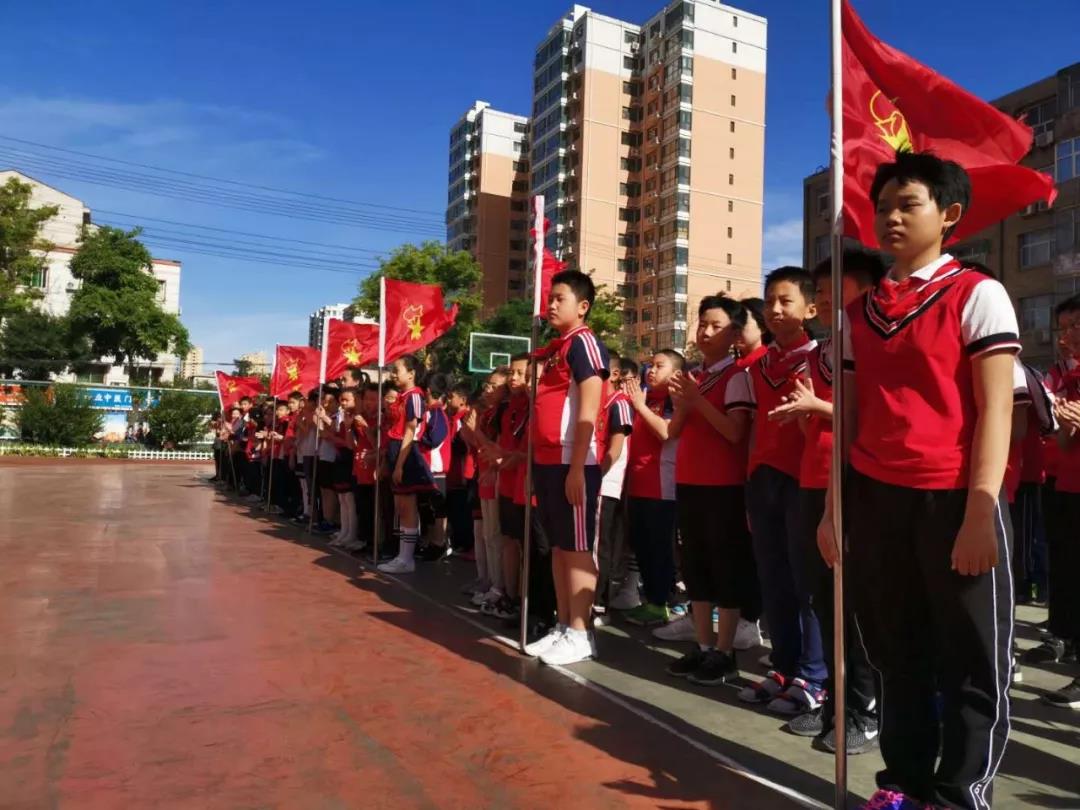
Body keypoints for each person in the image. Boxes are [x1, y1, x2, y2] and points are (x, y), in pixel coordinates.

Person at [819, 151, 1020, 808]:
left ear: (949, 215)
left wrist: (980, 514)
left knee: (969, 660)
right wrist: (833, 510)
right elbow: (847, 419)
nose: (892, 218)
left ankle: (961, 793)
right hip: (878, 499)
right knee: (896, 652)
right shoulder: (860, 313)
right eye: (883, 208)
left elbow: (995, 410)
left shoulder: (977, 293)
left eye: (909, 204)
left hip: (954, 499)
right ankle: (902, 783)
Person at [767, 250, 885, 752]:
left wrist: (817, 405)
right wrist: (803, 412)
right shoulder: (818, 353)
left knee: (854, 601)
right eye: (823, 296)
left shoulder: (879, 345)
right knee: (820, 596)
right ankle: (834, 703)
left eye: (840, 293)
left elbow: (872, 413)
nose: (829, 303)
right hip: (812, 480)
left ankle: (866, 708)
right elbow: (816, 414)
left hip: (856, 481)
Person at [740, 267, 827, 718]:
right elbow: (755, 426)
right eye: (770, 300)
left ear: (811, 309)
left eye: (786, 300)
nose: (775, 309)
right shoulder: (759, 364)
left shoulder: (819, 358)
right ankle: (784, 664)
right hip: (764, 479)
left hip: (804, 479)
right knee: (773, 578)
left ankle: (814, 675)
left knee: (806, 581)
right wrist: (751, 479)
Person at [665, 297, 756, 686]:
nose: (704, 332)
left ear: (734, 334)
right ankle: (703, 646)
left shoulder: (737, 376)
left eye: (715, 325)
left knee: (726, 569)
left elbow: (736, 432)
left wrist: (696, 401)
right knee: (696, 566)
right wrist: (683, 402)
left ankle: (725, 651)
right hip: (691, 480)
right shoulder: (695, 376)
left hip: (724, 486)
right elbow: (678, 429)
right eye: (702, 324)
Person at [522, 270, 610, 666]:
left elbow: (590, 404)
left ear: (583, 306)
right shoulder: (557, 348)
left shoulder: (584, 344)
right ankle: (563, 625)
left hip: (571, 463)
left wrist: (577, 467)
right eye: (550, 299)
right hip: (547, 463)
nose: (551, 305)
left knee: (576, 550)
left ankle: (580, 630)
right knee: (559, 549)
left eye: (560, 298)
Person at [622, 350, 682, 629]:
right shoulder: (644, 398)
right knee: (642, 546)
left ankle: (661, 603)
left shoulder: (673, 399)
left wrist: (640, 407)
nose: (652, 371)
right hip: (637, 483)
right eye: (651, 365)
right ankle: (651, 602)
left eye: (660, 366)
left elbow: (666, 432)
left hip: (662, 486)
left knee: (659, 548)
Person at [1042, 294, 1080, 709]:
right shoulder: (1058, 376)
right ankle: (1065, 641)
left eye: (1076, 327)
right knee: (1067, 573)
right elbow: (1062, 440)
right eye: (1064, 328)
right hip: (1066, 486)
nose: (1068, 337)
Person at [378, 355, 435, 574]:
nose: (393, 373)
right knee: (400, 507)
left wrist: (400, 463)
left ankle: (407, 558)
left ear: (411, 373)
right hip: (395, 450)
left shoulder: (415, 396)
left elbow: (412, 431)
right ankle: (401, 555)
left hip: (407, 453)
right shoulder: (403, 396)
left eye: (397, 370)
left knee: (407, 506)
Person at [594, 355, 633, 623]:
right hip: (593, 482)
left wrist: (595, 475)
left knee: (600, 547)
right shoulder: (596, 402)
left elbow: (616, 450)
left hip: (604, 483)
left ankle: (599, 604)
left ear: (615, 373)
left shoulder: (618, 403)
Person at [466, 368, 509, 609]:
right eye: (487, 385)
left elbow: (496, 446)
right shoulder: (490, 411)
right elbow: (475, 441)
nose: (487, 389)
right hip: (485, 474)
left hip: (496, 475)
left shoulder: (503, 412)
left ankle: (498, 586)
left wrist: (477, 432)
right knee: (487, 535)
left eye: (494, 386)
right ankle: (490, 581)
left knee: (495, 535)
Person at [416, 373, 452, 561]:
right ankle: (431, 542)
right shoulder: (430, 412)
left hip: (435, 469)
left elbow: (435, 438)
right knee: (427, 508)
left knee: (437, 508)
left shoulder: (436, 412)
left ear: (428, 391)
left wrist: (417, 439)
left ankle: (439, 542)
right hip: (426, 468)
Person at [328, 388, 362, 551]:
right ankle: (344, 531)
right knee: (342, 499)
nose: (343, 403)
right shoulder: (343, 420)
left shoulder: (358, 420)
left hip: (351, 460)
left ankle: (351, 534)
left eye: (346, 400)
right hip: (341, 458)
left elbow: (350, 444)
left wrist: (336, 436)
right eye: (341, 400)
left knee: (349, 499)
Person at [350, 383, 381, 552]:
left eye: (373, 399)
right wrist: (350, 427)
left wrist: (367, 428)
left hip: (374, 472)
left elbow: (378, 445)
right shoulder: (361, 418)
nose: (369, 403)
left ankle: (374, 543)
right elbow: (352, 444)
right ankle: (364, 540)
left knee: (372, 509)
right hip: (360, 468)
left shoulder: (380, 419)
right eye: (366, 399)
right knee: (362, 507)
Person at [313, 388, 341, 535]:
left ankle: (332, 521)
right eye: (325, 401)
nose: (327, 404)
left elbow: (335, 431)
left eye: (330, 401)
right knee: (324, 490)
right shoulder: (328, 415)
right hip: (323, 455)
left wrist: (323, 419)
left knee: (331, 491)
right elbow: (322, 434)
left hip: (333, 457)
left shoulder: (337, 416)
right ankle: (326, 518)